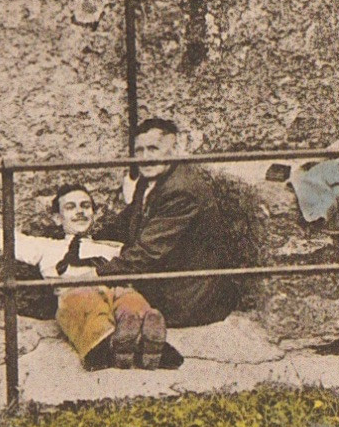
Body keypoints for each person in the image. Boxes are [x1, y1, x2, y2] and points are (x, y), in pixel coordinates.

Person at [0, 178, 176, 369]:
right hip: (75, 296)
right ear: (58, 218)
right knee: (85, 300)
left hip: (117, 290)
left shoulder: (112, 245)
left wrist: (133, 182)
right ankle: (113, 344)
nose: (80, 212)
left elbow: (138, 219)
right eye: (71, 207)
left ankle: (146, 339)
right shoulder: (45, 247)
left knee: (131, 299)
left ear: (94, 213)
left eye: (86, 206)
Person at [95, 117, 241, 327]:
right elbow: (129, 219)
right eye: (140, 150)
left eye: (153, 149)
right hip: (165, 281)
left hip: (184, 297)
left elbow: (148, 252)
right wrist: (93, 238)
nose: (145, 157)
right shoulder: (152, 177)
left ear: (173, 149)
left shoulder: (181, 191)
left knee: (93, 296)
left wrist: (93, 275)